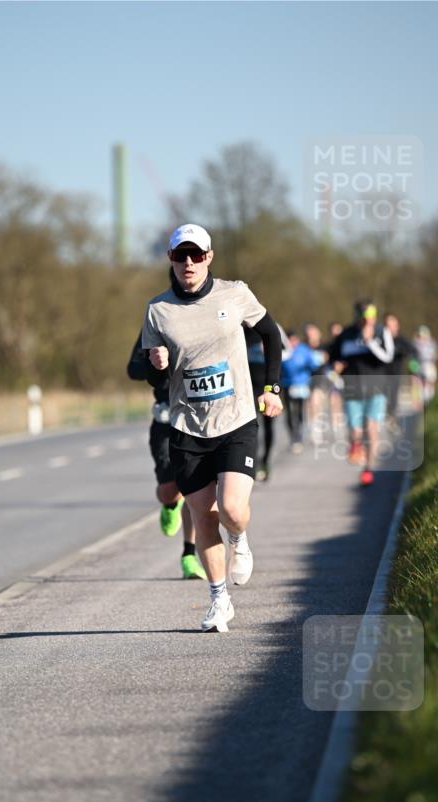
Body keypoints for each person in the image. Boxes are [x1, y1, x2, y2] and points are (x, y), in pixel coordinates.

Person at [141, 223, 283, 633]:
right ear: (170, 259)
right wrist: (158, 366)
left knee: (233, 510)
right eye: (181, 255)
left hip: (236, 418)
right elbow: (154, 378)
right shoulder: (158, 310)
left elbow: (271, 334)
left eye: (196, 255)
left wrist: (271, 388)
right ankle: (220, 601)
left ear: (209, 257)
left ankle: (240, 540)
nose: (189, 262)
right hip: (187, 426)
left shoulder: (234, 293)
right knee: (204, 516)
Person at [127, 334, 207, 580]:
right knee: (171, 491)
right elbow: (132, 369)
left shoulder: (203, 321)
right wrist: (156, 363)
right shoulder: (152, 329)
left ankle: (189, 556)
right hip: (165, 421)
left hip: (197, 419)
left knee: (195, 490)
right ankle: (170, 504)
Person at [328, 300, 394, 486]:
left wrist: (370, 341)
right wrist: (335, 366)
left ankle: (368, 469)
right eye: (364, 317)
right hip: (352, 389)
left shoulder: (382, 332)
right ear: (357, 316)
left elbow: (387, 357)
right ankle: (355, 445)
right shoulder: (346, 335)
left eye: (371, 317)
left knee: (372, 429)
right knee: (356, 431)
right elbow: (334, 358)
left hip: (376, 388)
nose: (368, 321)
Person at [245, 322, 290, 481]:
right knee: (252, 427)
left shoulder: (271, 326)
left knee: (268, 426)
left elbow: (288, 351)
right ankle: (255, 465)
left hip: (268, 388)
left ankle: (266, 461)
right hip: (248, 387)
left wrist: (270, 352)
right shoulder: (239, 327)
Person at [280, 328, 322, 453]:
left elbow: (314, 364)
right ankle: (293, 436)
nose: (292, 342)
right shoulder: (283, 349)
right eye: (290, 340)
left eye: (294, 340)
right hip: (287, 384)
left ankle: (299, 437)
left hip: (302, 385)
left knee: (300, 412)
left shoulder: (304, 349)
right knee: (289, 413)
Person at [382, 313, 418, 429]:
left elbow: (413, 351)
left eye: (392, 325)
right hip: (380, 373)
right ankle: (383, 418)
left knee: (392, 397)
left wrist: (412, 363)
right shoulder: (380, 339)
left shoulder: (401, 339)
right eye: (388, 325)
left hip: (395, 373)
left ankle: (391, 419)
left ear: (397, 326)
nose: (390, 328)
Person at [413, 324, 438, 404]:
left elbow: (436, 354)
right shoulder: (415, 343)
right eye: (421, 334)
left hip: (430, 364)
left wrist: (432, 360)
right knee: (422, 383)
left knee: (431, 381)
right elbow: (413, 359)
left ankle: (430, 399)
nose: (423, 337)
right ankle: (424, 401)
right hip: (420, 365)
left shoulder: (432, 343)